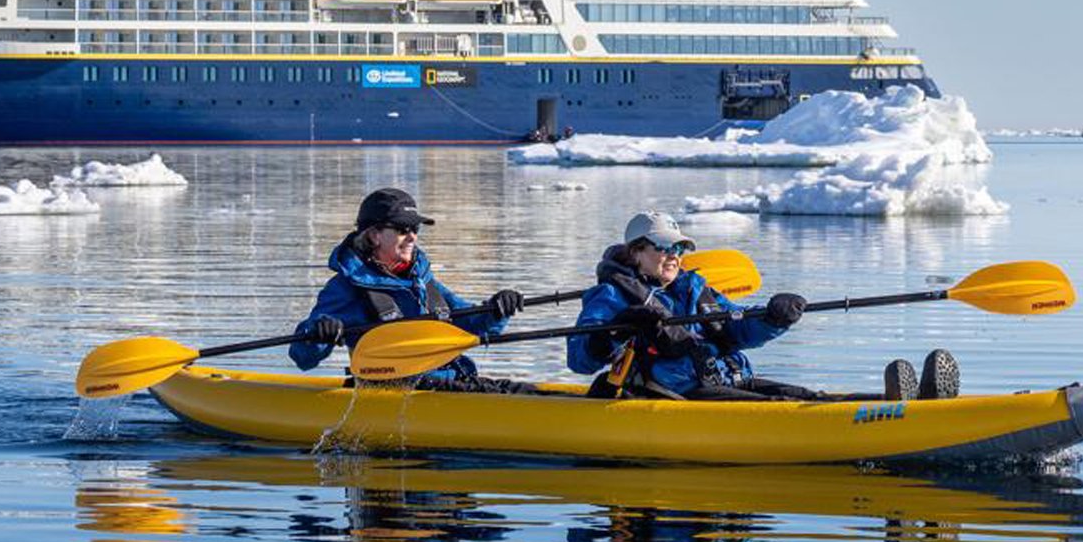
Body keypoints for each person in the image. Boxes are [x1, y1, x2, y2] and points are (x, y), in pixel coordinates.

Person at [569, 212, 952, 401]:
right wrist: (619, 327)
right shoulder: (611, 296)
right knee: (783, 405)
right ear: (637, 252)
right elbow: (580, 361)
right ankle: (893, 419)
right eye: (663, 247)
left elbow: (735, 328)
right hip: (676, 396)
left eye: (679, 248)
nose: (673, 256)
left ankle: (909, 405)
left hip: (728, 381)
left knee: (810, 398)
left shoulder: (694, 287)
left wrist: (772, 319)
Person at [291, 187, 524, 389]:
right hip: (396, 389)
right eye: (403, 230)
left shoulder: (423, 281)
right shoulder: (346, 288)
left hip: (449, 382)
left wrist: (497, 309)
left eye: (415, 229)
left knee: (527, 392)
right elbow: (303, 357)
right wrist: (319, 332)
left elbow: (474, 326)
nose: (412, 237)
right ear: (374, 236)